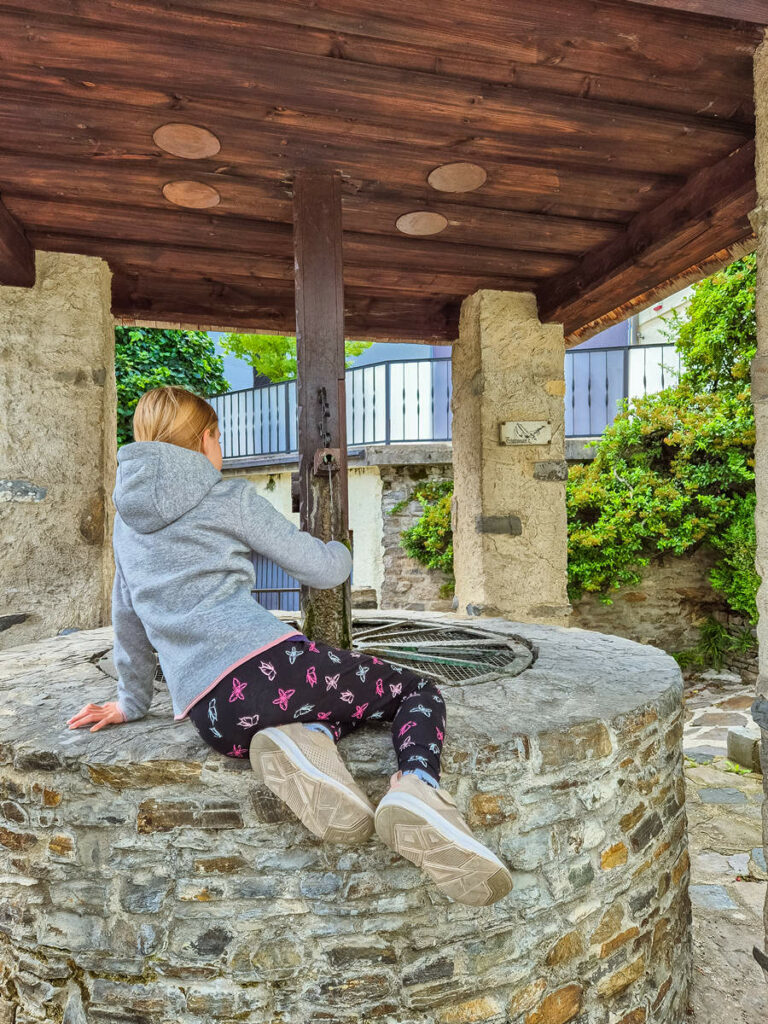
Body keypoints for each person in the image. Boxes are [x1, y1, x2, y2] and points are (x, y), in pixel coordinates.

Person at [67, 385, 513, 907]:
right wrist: (341, 550)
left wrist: (130, 701)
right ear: (208, 438)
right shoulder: (224, 497)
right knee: (414, 693)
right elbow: (321, 569)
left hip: (214, 717)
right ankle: (417, 788)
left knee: (338, 706)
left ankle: (308, 739)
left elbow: (128, 619)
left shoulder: (126, 523)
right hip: (275, 670)